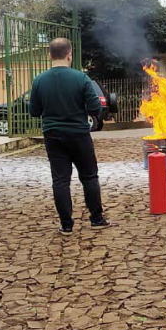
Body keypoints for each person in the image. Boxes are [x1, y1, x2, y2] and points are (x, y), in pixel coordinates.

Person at [29, 37, 109, 234]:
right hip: (79, 135)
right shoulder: (81, 78)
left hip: (53, 136)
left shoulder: (39, 80)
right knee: (89, 176)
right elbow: (95, 107)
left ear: (49, 55)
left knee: (60, 180)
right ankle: (96, 218)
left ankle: (66, 225)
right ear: (69, 55)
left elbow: (34, 111)